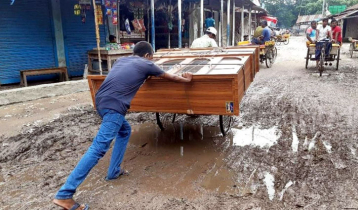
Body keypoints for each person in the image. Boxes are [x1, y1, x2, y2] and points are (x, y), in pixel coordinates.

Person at [53, 41, 193, 210]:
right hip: (114, 107)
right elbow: (171, 77)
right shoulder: (147, 63)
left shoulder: (122, 60)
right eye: (152, 58)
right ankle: (65, 194)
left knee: (124, 130)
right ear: (148, 55)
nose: (152, 60)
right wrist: (187, 80)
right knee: (99, 148)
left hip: (101, 102)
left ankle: (114, 171)